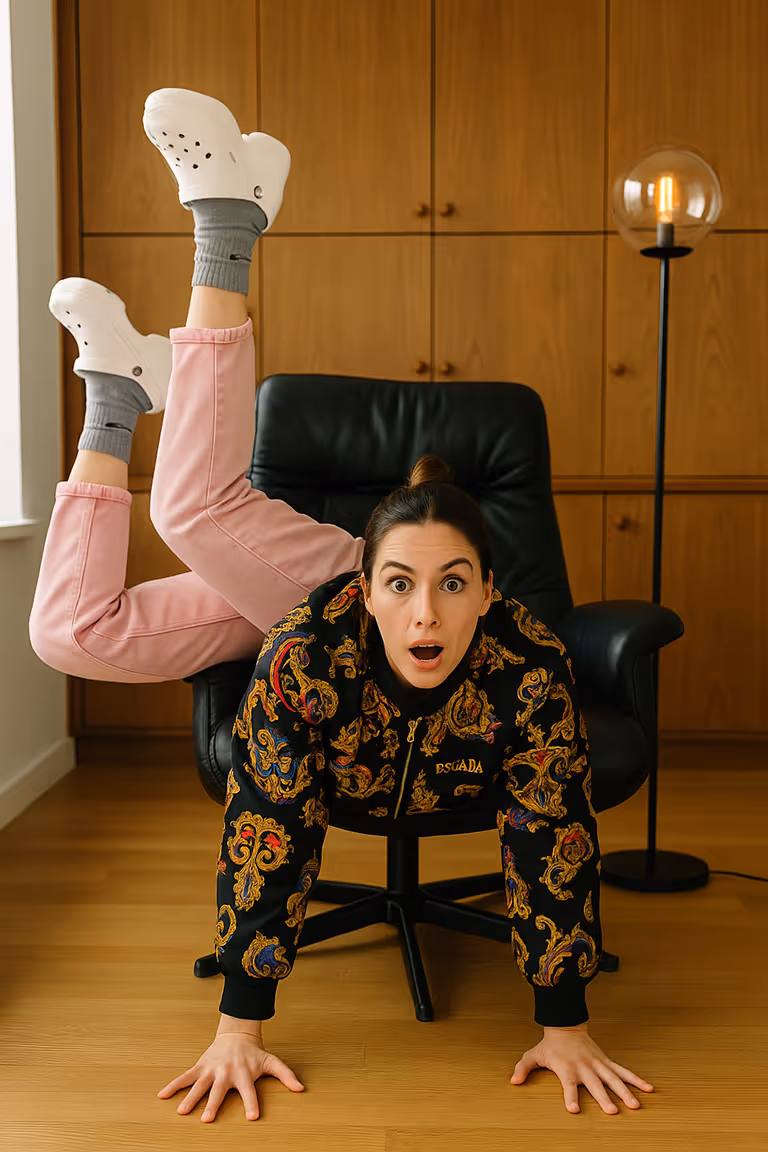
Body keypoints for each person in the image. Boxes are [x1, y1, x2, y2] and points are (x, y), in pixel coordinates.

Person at [29, 88, 655, 1122]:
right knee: (191, 503)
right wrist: (239, 1027)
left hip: (301, 607)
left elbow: (552, 829)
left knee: (65, 634)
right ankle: (227, 230)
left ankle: (118, 397)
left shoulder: (526, 666)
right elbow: (269, 821)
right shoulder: (320, 638)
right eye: (403, 585)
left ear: (489, 594)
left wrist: (564, 1023)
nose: (426, 616)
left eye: (455, 587)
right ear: (368, 590)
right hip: (304, 594)